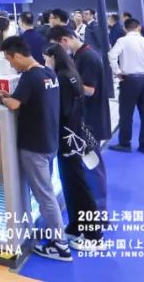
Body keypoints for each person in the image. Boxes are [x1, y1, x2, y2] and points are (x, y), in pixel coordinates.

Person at [0, 36, 71, 262]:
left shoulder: (29, 76)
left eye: (10, 60)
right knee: (46, 192)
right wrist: (11, 97)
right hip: (49, 142)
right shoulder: (48, 74)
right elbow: (28, 99)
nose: (11, 64)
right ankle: (55, 235)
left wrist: (1, 99)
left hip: (34, 146)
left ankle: (60, 245)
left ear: (17, 55)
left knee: (44, 195)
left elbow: (14, 104)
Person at [43, 43, 104, 251]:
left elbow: (62, 110)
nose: (45, 63)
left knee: (78, 185)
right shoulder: (71, 74)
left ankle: (94, 235)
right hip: (74, 135)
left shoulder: (61, 77)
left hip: (67, 138)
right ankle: (77, 225)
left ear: (53, 57)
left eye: (46, 58)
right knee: (71, 183)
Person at [107, 18, 144, 153]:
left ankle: (125, 143)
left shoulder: (122, 41)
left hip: (129, 80)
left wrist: (117, 71)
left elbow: (111, 55)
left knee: (126, 114)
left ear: (125, 28)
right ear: (139, 28)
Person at [48, 26, 109, 145]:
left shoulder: (88, 57)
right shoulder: (78, 54)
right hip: (84, 115)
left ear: (65, 40)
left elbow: (90, 90)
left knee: (88, 152)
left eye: (57, 46)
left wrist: (67, 81)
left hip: (91, 117)